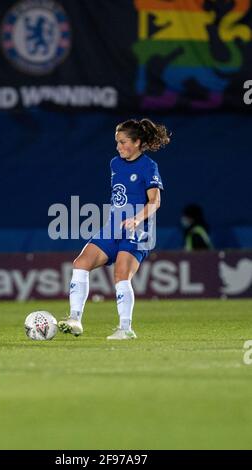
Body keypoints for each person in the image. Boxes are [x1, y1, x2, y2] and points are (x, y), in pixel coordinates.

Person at [58, 118, 171, 340]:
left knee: (120, 275)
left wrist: (137, 220)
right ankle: (74, 319)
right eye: (117, 142)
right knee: (80, 263)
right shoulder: (115, 164)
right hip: (112, 227)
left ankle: (126, 328)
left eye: (123, 142)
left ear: (138, 142)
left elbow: (155, 202)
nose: (118, 147)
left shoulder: (149, 166)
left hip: (138, 231)